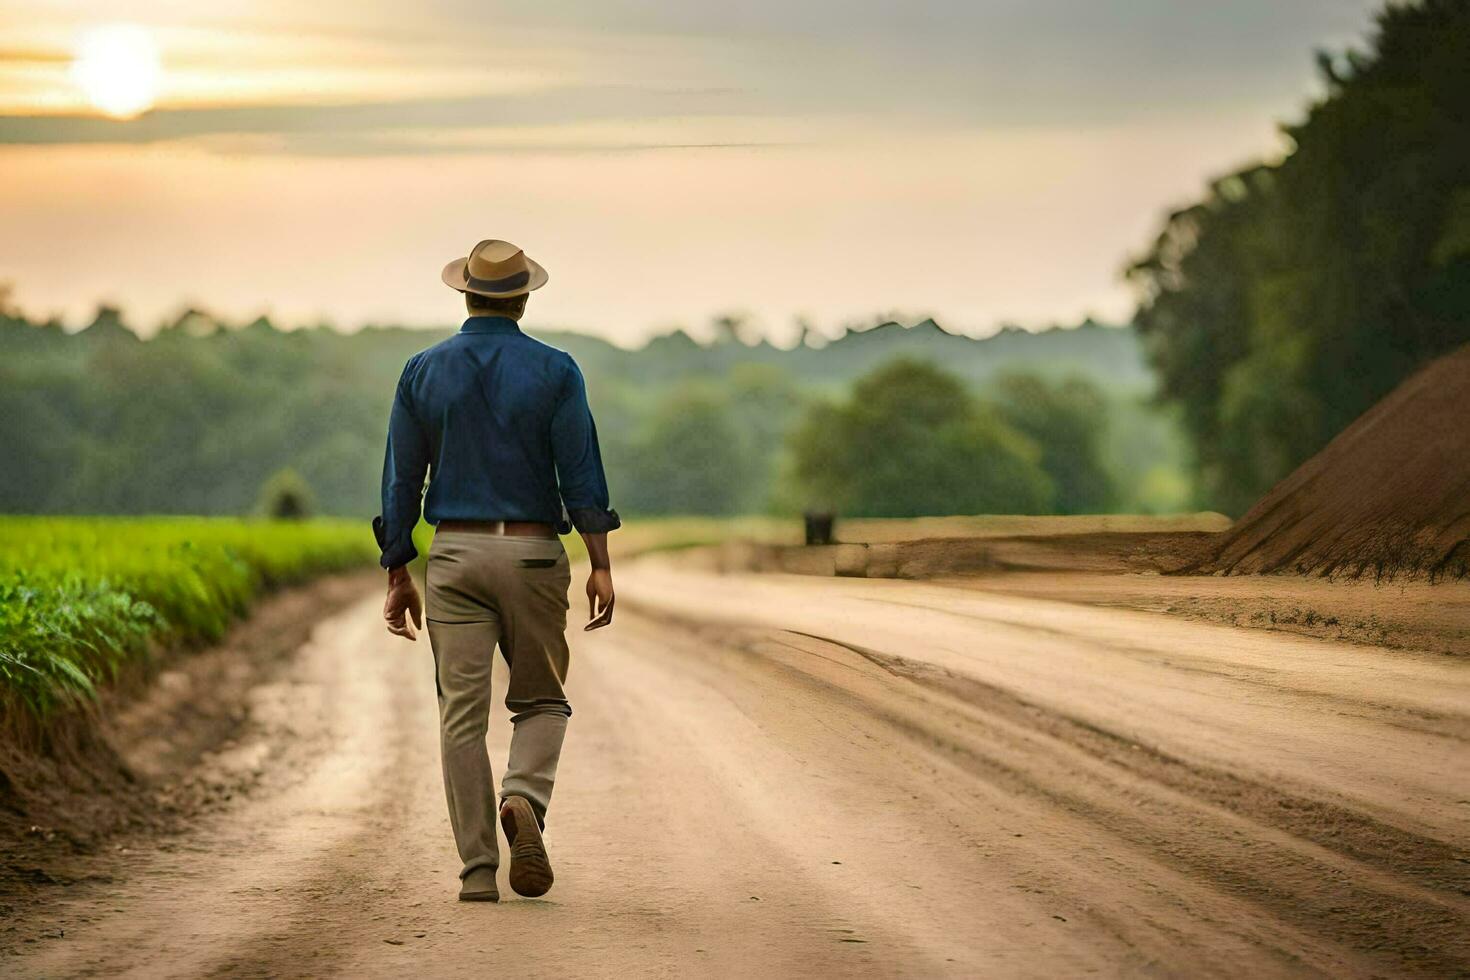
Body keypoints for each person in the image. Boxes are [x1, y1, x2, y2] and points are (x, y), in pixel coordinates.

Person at [374, 239, 619, 903]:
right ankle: (523, 798)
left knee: (460, 717)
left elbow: (402, 480)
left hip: (454, 554)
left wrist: (398, 570)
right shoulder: (557, 371)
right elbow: (583, 474)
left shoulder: (421, 370)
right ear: (524, 298)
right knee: (541, 699)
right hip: (534, 552)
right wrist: (599, 563)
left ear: (466, 294)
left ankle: (478, 872)